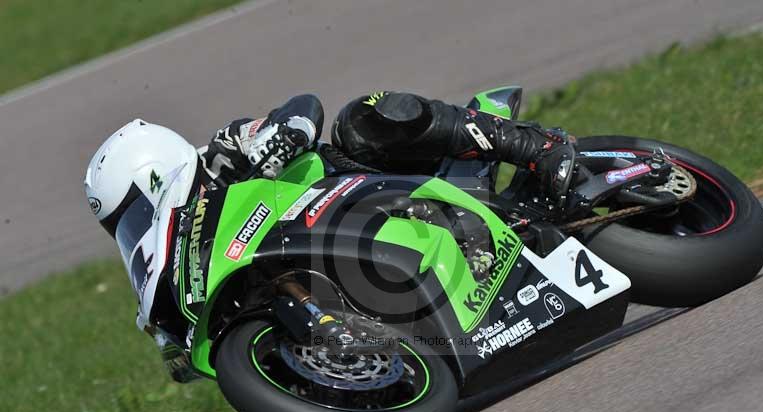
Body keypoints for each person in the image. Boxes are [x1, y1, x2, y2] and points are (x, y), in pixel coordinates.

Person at [85, 91, 576, 240]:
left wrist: (285, 134)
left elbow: (304, 107)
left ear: (151, 176)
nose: (136, 228)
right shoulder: (185, 257)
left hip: (366, 180)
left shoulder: (222, 152)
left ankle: (538, 145)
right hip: (346, 248)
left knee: (360, 119)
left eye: (134, 212)